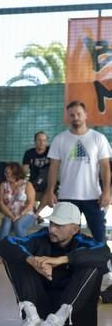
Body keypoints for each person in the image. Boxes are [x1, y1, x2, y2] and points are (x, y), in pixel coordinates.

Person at [0, 202, 109, 326]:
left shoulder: (85, 242)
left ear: (75, 229)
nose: (52, 230)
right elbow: (6, 243)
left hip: (73, 321)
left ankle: (57, 321)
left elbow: (104, 252)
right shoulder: (42, 237)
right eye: (51, 223)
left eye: (59, 226)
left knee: (91, 263)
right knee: (15, 257)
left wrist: (61, 260)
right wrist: (31, 260)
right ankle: (32, 319)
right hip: (42, 319)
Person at [45, 100, 111, 242]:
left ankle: (105, 264)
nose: (76, 117)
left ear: (85, 115)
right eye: (72, 115)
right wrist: (50, 191)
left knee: (99, 236)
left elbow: (105, 167)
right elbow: (53, 167)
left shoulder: (98, 138)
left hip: (93, 197)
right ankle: (67, 264)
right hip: (67, 196)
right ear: (68, 117)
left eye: (79, 114)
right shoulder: (60, 139)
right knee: (66, 239)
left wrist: (107, 191)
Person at [0, 162, 36, 241]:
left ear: (15, 174)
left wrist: (20, 215)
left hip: (26, 214)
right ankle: (1, 249)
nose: (5, 174)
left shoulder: (27, 184)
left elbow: (31, 203)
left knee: (18, 224)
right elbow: (0, 202)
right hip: (9, 213)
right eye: (5, 172)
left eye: (7, 173)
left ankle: (24, 248)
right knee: (6, 223)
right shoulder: (3, 185)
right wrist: (11, 215)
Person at [23, 131, 50, 215]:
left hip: (47, 180)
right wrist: (25, 182)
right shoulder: (29, 153)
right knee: (25, 189)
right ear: (35, 142)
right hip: (34, 180)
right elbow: (25, 170)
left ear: (46, 142)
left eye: (44, 140)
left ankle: (37, 213)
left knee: (49, 189)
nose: (42, 143)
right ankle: (32, 211)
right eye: (39, 140)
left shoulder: (51, 151)